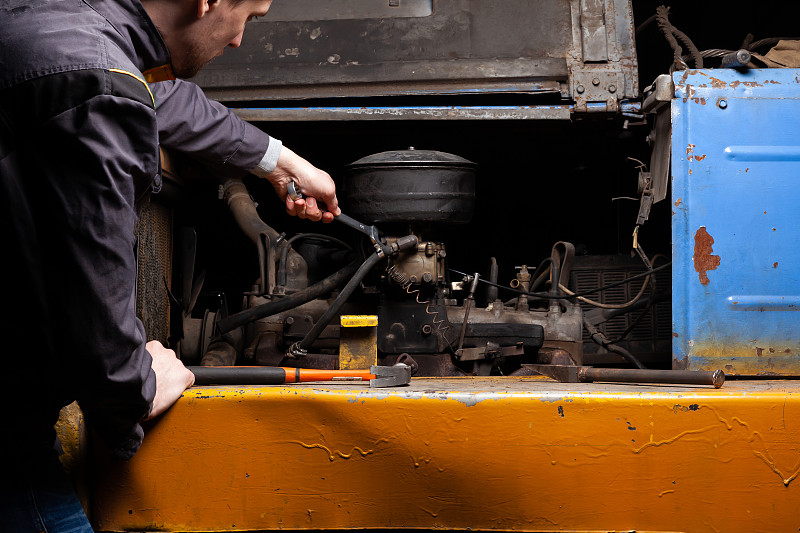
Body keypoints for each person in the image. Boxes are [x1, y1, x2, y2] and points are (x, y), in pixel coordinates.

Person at [0, 0, 339, 530]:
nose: (237, 41)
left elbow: (158, 93)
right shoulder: (101, 90)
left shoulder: (56, 23)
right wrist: (142, 385)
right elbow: (100, 345)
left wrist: (283, 164)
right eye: (249, 16)